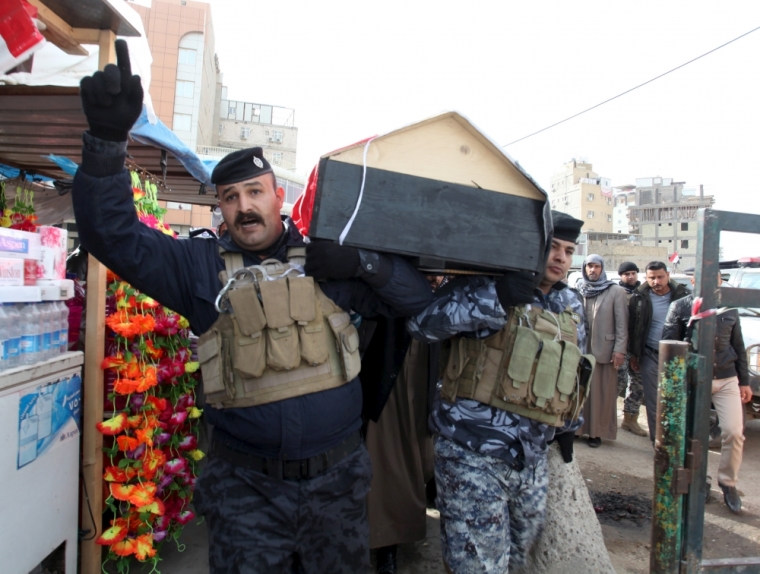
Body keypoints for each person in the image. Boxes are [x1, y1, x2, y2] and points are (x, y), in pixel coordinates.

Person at [73, 41, 433, 573]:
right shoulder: (197, 267)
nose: (244, 207)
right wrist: (105, 142)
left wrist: (363, 264)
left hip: (336, 487)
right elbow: (114, 236)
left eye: (254, 192)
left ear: (277, 197)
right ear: (219, 207)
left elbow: (420, 306)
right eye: (230, 197)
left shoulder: (326, 263)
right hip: (246, 493)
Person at [407, 211, 591, 573]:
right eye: (553, 247)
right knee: (476, 567)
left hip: (532, 459)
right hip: (471, 453)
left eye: (569, 251)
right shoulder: (485, 284)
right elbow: (423, 325)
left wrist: (569, 427)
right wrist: (497, 296)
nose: (561, 258)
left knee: (518, 563)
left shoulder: (570, 305)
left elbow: (574, 371)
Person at [662, 273, 752, 514]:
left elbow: (738, 346)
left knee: (734, 432)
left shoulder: (729, 309)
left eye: (718, 278)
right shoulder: (680, 306)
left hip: (726, 378)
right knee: (690, 435)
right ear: (693, 281)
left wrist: (744, 381)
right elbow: (669, 344)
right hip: (694, 379)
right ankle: (693, 481)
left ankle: (728, 482)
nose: (714, 282)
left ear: (722, 281)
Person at [628, 261, 689, 442]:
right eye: (652, 278)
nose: (656, 281)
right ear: (646, 279)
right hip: (650, 355)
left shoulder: (683, 296)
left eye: (660, 277)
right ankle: (659, 442)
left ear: (668, 275)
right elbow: (633, 328)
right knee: (654, 401)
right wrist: (634, 354)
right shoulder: (639, 298)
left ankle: (676, 440)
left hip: (677, 357)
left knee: (676, 399)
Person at [575, 254, 627, 447]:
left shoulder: (615, 291)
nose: (592, 270)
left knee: (601, 393)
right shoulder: (578, 289)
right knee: (579, 390)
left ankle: (596, 432)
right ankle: (577, 429)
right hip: (580, 347)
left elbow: (622, 324)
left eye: (596, 266)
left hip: (605, 350)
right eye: (589, 266)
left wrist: (620, 349)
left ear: (602, 268)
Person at [616, 262, 647, 436]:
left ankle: (630, 418)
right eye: (626, 273)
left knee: (637, 383)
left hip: (637, 346)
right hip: (620, 344)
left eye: (633, 273)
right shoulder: (615, 292)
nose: (630, 276)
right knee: (617, 382)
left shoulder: (644, 293)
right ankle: (606, 416)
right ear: (621, 276)